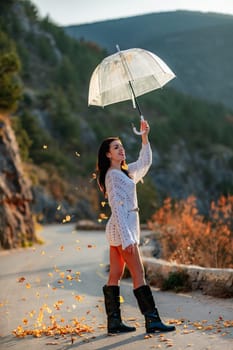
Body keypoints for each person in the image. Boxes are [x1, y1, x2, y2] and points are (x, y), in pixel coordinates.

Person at [97, 119, 175, 335]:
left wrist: (144, 136)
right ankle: (152, 321)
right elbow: (118, 209)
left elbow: (145, 162)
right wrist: (128, 238)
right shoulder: (113, 177)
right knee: (138, 273)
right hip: (123, 231)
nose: (121, 149)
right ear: (107, 155)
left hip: (117, 232)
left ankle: (114, 323)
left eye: (121, 146)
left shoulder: (124, 172)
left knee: (115, 274)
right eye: (116, 147)